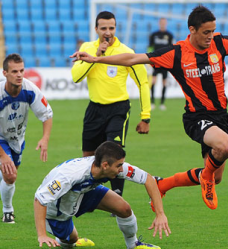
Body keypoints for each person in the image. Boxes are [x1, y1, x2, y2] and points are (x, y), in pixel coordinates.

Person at [71, 5, 228, 210]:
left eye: (213, 31)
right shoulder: (175, 53)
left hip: (221, 116)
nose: (210, 36)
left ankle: (163, 184)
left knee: (216, 177)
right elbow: (134, 58)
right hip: (196, 117)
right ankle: (203, 175)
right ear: (192, 30)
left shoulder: (222, 43)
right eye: (206, 32)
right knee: (226, 145)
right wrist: (96, 58)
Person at [71, 11, 151, 203]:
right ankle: (89, 194)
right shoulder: (87, 48)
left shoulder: (127, 52)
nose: (108, 32)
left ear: (116, 28)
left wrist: (145, 116)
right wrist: (96, 57)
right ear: (96, 29)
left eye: (111, 28)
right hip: (94, 109)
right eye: (104, 28)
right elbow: (76, 77)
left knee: (114, 151)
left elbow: (143, 83)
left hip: (118, 109)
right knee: (88, 157)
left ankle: (117, 195)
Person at [34, 141, 170, 248]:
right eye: (119, 165)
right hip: (58, 207)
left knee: (124, 208)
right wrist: (42, 235)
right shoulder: (69, 175)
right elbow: (40, 199)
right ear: (105, 165)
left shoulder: (108, 166)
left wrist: (160, 213)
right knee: (71, 241)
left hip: (85, 192)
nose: (122, 169)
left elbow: (148, 179)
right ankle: (66, 239)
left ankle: (133, 245)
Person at [0, 53, 53, 223]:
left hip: (17, 137)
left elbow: (47, 114)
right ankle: (8, 211)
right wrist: (2, 155)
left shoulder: (30, 90)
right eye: (14, 71)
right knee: (10, 174)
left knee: (10, 169)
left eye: (21, 70)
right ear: (5, 73)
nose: (19, 75)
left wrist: (45, 139)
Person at [148, 18, 174, 111]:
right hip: (156, 61)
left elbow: (172, 49)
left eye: (164, 23)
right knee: (153, 81)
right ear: (159, 23)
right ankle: (152, 102)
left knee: (164, 82)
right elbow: (150, 48)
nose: (163, 24)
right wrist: (149, 60)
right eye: (161, 23)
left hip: (165, 62)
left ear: (166, 23)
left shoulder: (169, 35)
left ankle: (162, 103)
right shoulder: (154, 35)